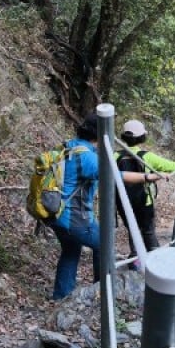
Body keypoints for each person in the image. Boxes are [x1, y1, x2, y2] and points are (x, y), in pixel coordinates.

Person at [48, 112, 158, 300]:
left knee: (71, 249)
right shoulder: (88, 159)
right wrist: (148, 177)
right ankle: (102, 290)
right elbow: (117, 175)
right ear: (100, 135)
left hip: (54, 212)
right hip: (73, 217)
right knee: (104, 244)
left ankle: (61, 296)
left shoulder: (69, 146)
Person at [116, 119, 175, 267]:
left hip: (122, 201)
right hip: (144, 201)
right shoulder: (147, 157)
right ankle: (155, 259)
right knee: (148, 230)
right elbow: (173, 166)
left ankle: (135, 259)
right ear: (141, 137)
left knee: (132, 229)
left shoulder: (115, 156)